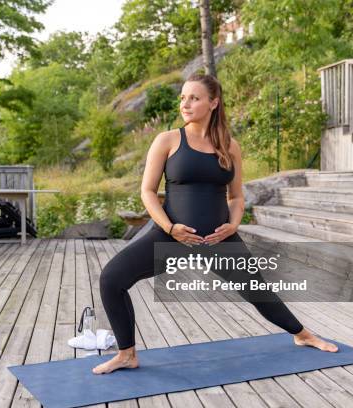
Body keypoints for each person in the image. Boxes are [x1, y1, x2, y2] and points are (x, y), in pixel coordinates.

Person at [92, 73, 338, 375]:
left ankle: (303, 334)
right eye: (183, 97)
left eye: (194, 97)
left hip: (219, 239)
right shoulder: (167, 140)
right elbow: (147, 192)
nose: (186, 103)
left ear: (213, 102)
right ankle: (127, 353)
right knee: (111, 280)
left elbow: (236, 196)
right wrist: (170, 228)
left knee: (258, 291)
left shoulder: (229, 146)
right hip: (171, 237)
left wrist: (233, 224)